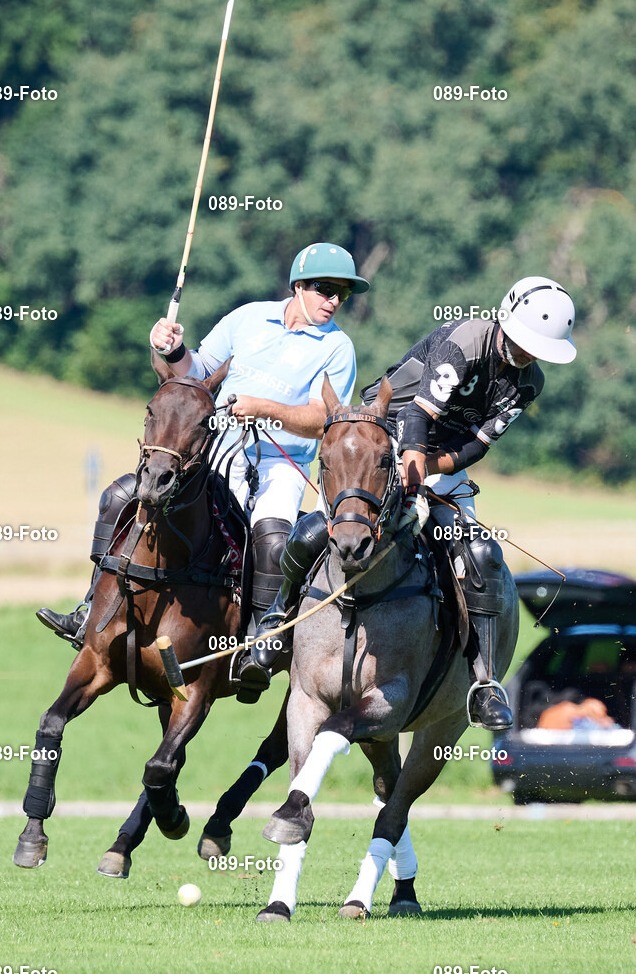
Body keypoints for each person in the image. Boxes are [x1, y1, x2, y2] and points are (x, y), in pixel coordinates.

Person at [37, 242, 370, 703]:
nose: (333, 300)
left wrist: (262, 408)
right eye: (325, 289)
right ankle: (90, 608)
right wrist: (172, 349)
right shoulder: (248, 318)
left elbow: (321, 418)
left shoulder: (338, 347)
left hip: (279, 463)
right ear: (298, 285)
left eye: (342, 294)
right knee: (122, 497)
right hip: (212, 451)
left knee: (274, 536)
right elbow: (196, 371)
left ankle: (255, 647)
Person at [254, 276, 577, 731]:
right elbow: (415, 414)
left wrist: (433, 466)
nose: (528, 355)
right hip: (379, 436)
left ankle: (483, 683)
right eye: (525, 343)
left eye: (538, 350)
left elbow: (478, 444)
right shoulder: (465, 339)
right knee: (316, 530)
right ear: (505, 320)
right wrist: (408, 461)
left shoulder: (530, 384)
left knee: (480, 554)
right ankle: (274, 624)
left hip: (436, 459)